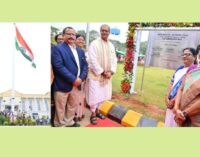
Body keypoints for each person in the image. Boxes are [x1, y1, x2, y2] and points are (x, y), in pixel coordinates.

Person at [51, 27, 88, 127]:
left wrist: (81, 78)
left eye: (73, 34)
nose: (71, 36)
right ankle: (60, 125)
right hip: (63, 84)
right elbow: (58, 66)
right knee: (60, 107)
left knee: (72, 105)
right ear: (63, 36)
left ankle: (69, 122)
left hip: (77, 84)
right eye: (69, 34)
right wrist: (73, 79)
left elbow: (85, 66)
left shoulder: (80, 51)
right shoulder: (57, 48)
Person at [85, 24, 117, 124]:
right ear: (100, 31)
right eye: (103, 30)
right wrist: (102, 72)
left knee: (103, 96)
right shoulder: (94, 44)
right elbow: (92, 60)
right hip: (96, 76)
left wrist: (111, 71)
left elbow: (114, 60)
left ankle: (97, 111)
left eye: (106, 31)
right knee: (94, 96)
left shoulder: (111, 45)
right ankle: (93, 114)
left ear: (109, 32)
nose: (104, 32)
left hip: (107, 76)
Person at [165, 48, 197, 127]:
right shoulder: (179, 69)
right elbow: (171, 83)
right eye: (183, 54)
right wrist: (166, 97)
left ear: (194, 57)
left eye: (188, 54)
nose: (184, 56)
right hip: (170, 104)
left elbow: (188, 90)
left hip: (180, 107)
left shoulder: (194, 71)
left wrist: (174, 101)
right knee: (168, 124)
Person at [74, 34, 86, 121]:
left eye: (82, 40)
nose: (81, 41)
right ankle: (75, 115)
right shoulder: (72, 50)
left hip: (82, 78)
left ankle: (79, 114)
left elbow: (85, 66)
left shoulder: (82, 51)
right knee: (74, 98)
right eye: (79, 39)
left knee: (81, 97)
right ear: (75, 40)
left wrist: (82, 78)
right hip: (74, 79)